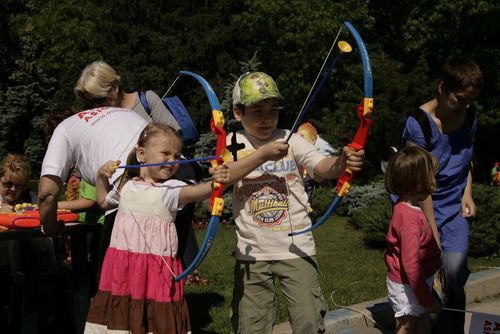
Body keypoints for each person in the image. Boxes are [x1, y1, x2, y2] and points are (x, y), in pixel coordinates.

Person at [225, 72, 365, 333]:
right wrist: (262, 155)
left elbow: (323, 167)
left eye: (272, 110)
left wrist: (344, 162)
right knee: (251, 325)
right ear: (238, 112)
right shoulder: (233, 143)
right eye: (257, 111)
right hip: (251, 252)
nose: (267, 118)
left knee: (308, 320)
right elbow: (223, 176)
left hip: (296, 248)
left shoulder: (292, 139)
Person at [84, 123, 231, 333]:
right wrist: (101, 176)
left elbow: (198, 191)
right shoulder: (127, 185)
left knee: (155, 318)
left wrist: (216, 182)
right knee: (123, 317)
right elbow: (104, 202)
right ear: (142, 154)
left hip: (156, 269)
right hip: (123, 267)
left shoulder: (171, 189)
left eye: (177, 156)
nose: (172, 161)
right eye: (165, 153)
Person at [74, 60, 206, 284]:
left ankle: (168, 297)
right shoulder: (101, 115)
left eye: (99, 99)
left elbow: (174, 140)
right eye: (90, 102)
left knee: (167, 250)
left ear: (114, 87)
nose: (95, 106)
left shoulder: (146, 100)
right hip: (131, 193)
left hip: (166, 188)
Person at [399, 57, 483, 334]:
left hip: (455, 208)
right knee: (429, 279)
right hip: (424, 207)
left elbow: (466, 155)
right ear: (441, 89)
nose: (465, 105)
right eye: (460, 99)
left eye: (470, 100)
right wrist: (431, 234)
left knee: (455, 273)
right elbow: (419, 184)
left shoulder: (469, 115)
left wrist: (467, 193)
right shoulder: (419, 124)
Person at [385, 147, 442, 334]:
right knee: (407, 325)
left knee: (422, 321)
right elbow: (411, 264)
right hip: (407, 286)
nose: (434, 181)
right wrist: (427, 300)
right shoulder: (409, 219)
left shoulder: (408, 207)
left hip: (415, 283)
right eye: (431, 177)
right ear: (418, 182)